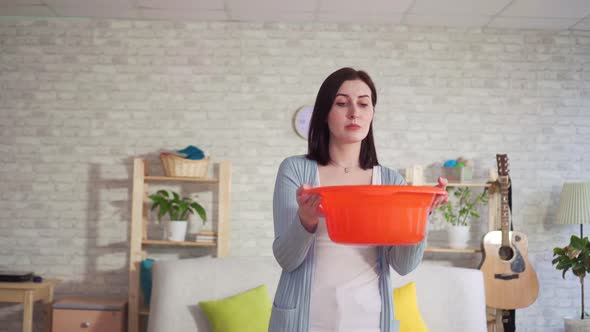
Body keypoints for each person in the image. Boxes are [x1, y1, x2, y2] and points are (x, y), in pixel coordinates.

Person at [270, 67, 448, 332]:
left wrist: (419, 217)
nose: (354, 112)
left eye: (363, 104)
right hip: (305, 321)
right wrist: (305, 221)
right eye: (342, 103)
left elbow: (403, 265)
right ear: (324, 114)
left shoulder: (390, 182)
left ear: (372, 113)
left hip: (370, 320)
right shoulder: (295, 170)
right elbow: (287, 259)